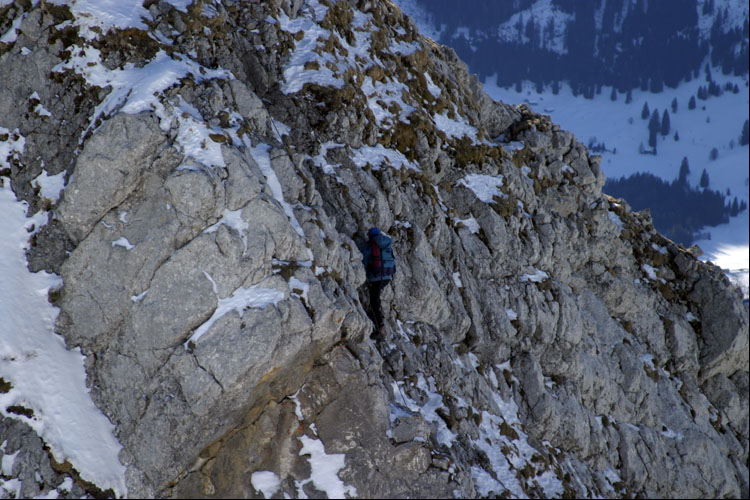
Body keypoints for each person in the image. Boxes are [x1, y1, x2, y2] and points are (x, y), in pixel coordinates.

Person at [361, 227, 396, 341]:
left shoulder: (370, 246)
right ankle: (379, 319)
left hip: (376, 277)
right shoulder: (386, 244)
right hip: (386, 277)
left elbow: (364, 261)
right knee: (376, 299)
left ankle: (380, 329)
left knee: (373, 301)